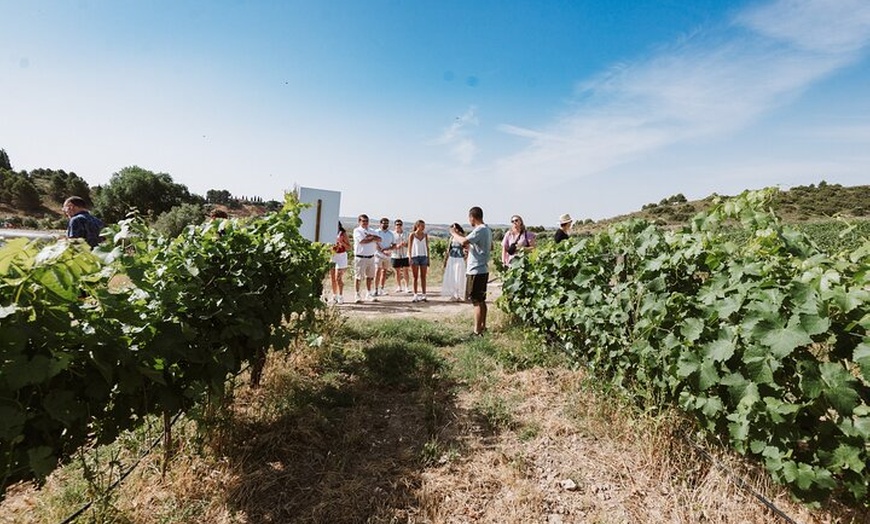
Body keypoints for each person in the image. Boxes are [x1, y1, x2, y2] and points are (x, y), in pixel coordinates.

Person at [450, 206, 491, 336]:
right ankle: (483, 326)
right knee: (481, 300)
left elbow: (463, 241)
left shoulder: (479, 230)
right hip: (483, 269)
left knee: (476, 302)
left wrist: (453, 233)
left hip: (476, 270)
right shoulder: (487, 229)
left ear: (472, 217)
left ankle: (476, 331)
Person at [352, 214, 381, 303]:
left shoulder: (372, 230)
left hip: (371, 257)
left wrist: (370, 237)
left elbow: (379, 239)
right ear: (359, 221)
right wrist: (372, 238)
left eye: (366, 221)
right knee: (358, 277)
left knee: (370, 276)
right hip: (360, 257)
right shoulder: (357, 230)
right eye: (363, 221)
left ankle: (368, 293)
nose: (365, 223)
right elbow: (362, 241)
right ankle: (357, 294)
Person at [441, 223, 467, 301]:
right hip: (452, 258)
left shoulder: (462, 237)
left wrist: (466, 257)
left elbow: (466, 248)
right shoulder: (452, 238)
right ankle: (453, 294)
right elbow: (448, 249)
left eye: (455, 228)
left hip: (460, 258)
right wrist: (445, 260)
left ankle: (458, 294)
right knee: (452, 276)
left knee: (459, 275)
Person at [407, 219, 430, 302]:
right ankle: (415, 295)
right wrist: (409, 257)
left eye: (424, 226)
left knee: (423, 277)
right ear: (417, 226)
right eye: (422, 226)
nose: (423, 227)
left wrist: (428, 258)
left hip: (424, 257)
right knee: (415, 277)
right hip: (415, 257)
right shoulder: (412, 235)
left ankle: (424, 295)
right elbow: (409, 247)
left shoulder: (425, 235)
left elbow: (427, 246)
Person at [330, 222, 350, 304]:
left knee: (338, 278)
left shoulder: (343, 233)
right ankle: (334, 296)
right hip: (332, 255)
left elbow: (349, 247)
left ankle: (341, 296)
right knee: (332, 278)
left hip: (341, 256)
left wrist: (341, 242)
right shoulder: (329, 233)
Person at [374, 217, 394, 296]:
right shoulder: (376, 232)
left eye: (387, 223)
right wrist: (382, 251)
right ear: (380, 223)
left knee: (384, 271)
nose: (385, 224)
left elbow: (394, 244)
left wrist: (389, 250)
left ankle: (382, 288)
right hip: (378, 255)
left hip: (387, 255)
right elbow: (375, 243)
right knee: (377, 271)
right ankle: (375, 289)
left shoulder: (390, 234)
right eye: (384, 223)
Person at [391, 219, 411, 293]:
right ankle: (399, 286)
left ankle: (407, 287)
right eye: (397, 224)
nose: (398, 226)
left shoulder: (406, 234)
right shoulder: (392, 234)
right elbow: (390, 245)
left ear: (402, 225)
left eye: (400, 224)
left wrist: (405, 244)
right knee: (397, 271)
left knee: (406, 271)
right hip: (395, 255)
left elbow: (410, 244)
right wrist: (396, 246)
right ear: (395, 225)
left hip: (405, 255)